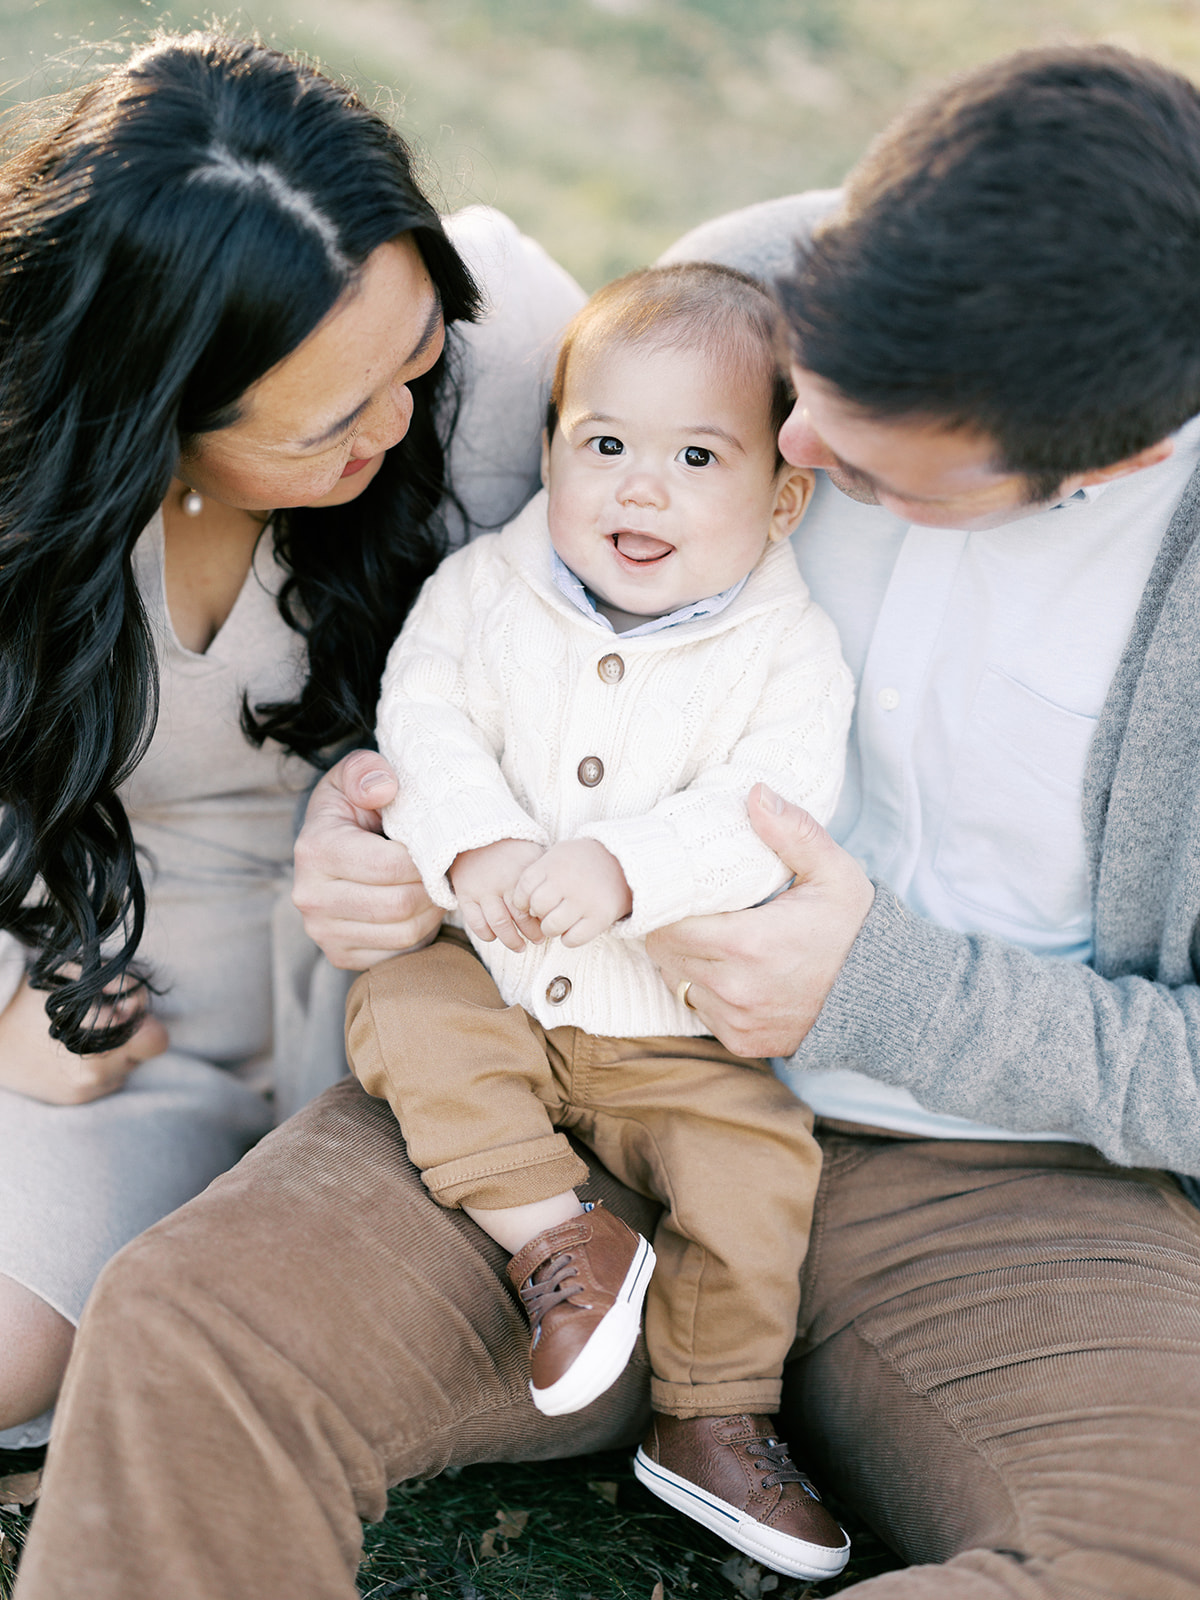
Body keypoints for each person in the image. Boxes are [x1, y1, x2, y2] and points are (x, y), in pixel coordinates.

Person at [14, 41, 1200, 1600]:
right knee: (192, 1336)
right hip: (558, 1074)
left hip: (998, 1182)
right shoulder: (742, 287)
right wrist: (378, 830)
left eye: (875, 468)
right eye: (799, 401)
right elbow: (480, 643)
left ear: (1118, 459)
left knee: (1142, 1556)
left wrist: (891, 993)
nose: (795, 459)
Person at [0, 31, 584, 1452]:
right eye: (331, 420)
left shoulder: (515, 347)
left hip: (436, 1013)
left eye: (416, 353)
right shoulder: (29, 469)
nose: (400, 418)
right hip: (113, 1006)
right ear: (153, 419)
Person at [347, 262, 854, 1579]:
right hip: (501, 982)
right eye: (606, 443)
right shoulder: (484, 590)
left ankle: (712, 1416)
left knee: (762, 1168)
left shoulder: (789, 653)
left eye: (697, 455)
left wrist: (625, 867)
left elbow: (771, 808)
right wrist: (483, 845)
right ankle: (556, 1240)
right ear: (551, 449)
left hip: (677, 1039)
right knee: (403, 1012)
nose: (641, 485)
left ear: (784, 497)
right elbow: (425, 721)